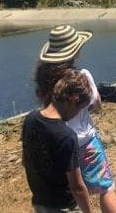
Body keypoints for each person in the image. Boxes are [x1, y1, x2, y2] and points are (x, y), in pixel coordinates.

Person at [35, 25, 116, 213]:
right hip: (86, 143)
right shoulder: (81, 77)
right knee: (106, 187)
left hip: (60, 145)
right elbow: (95, 103)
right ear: (75, 50)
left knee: (74, 191)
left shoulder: (44, 81)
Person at [22, 69, 93, 213]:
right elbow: (77, 187)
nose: (76, 115)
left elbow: (25, 159)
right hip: (64, 206)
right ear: (73, 101)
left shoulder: (30, 119)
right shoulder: (66, 136)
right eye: (79, 109)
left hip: (40, 203)